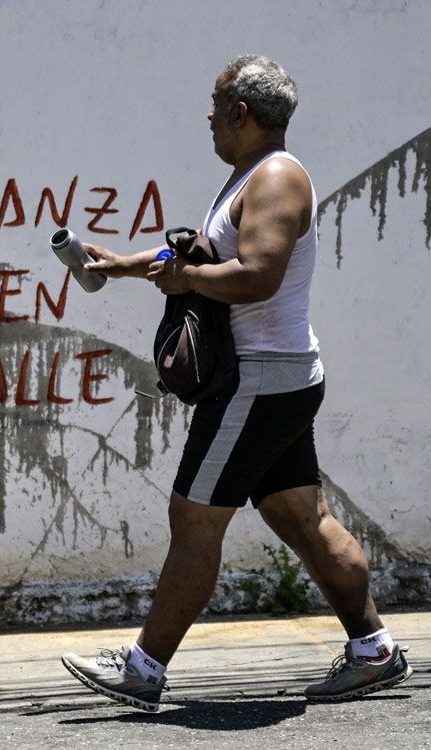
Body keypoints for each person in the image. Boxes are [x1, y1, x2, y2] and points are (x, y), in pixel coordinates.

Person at [60, 54, 411, 711]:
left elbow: (256, 276)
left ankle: (143, 672)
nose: (208, 115)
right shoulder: (252, 176)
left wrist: (186, 280)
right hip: (280, 376)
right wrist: (127, 265)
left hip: (257, 381)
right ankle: (374, 653)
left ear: (241, 113)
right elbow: (207, 254)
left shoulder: (276, 179)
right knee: (299, 515)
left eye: (215, 104)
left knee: (193, 517)